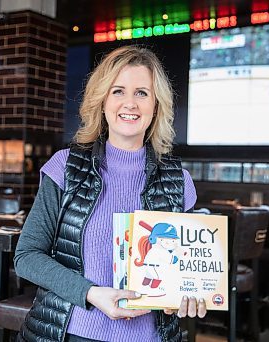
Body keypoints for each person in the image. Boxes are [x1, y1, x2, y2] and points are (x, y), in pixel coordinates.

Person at [14, 45, 206, 342]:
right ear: (102, 100)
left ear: (156, 105)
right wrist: (90, 293)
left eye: (142, 93)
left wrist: (191, 295)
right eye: (118, 91)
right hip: (72, 332)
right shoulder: (64, 167)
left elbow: (185, 272)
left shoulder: (179, 181)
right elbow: (27, 257)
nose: (130, 103)